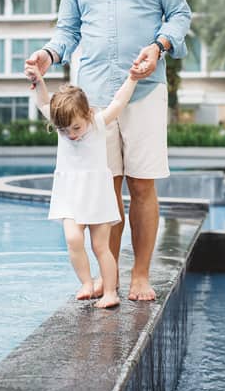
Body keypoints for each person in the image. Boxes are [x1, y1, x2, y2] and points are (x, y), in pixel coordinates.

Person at [27, 0, 193, 305]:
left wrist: (159, 48)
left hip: (145, 91)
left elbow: (179, 14)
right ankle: (109, 279)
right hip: (94, 97)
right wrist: (48, 54)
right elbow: (67, 31)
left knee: (141, 186)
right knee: (107, 190)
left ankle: (140, 276)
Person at [26, 57, 151, 307]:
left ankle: (110, 292)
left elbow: (118, 102)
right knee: (73, 239)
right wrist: (39, 81)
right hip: (70, 193)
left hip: (96, 193)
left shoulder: (96, 123)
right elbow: (42, 101)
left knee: (99, 246)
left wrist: (132, 78)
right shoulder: (62, 123)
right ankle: (86, 282)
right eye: (64, 131)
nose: (71, 135)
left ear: (87, 114)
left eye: (75, 128)